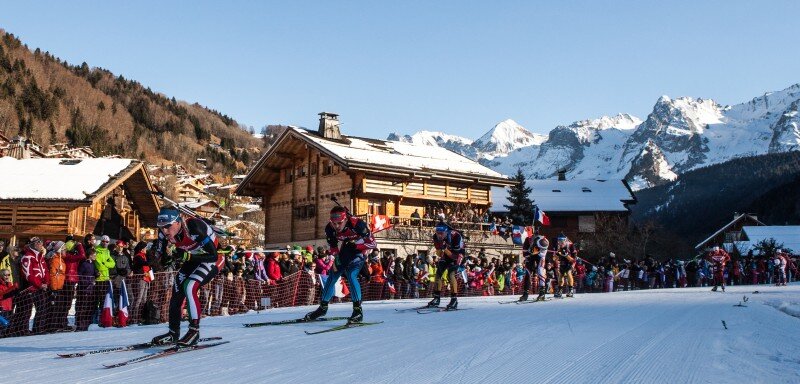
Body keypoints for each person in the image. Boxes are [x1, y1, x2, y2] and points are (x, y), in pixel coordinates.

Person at [150, 208, 221, 347]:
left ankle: (194, 332)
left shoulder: (194, 227)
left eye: (168, 226)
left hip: (212, 259)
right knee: (177, 289)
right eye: (161, 227)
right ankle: (173, 333)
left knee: (190, 286)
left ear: (177, 223)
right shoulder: (163, 234)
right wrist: (167, 258)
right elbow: (161, 259)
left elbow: (213, 255)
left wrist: (187, 256)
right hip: (193, 259)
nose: (165, 231)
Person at [304, 206, 377, 324]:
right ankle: (322, 308)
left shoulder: (357, 224)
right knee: (332, 276)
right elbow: (333, 247)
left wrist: (357, 246)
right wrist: (335, 260)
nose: (337, 226)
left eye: (339, 223)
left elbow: (373, 244)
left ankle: (358, 311)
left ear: (345, 220)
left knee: (351, 275)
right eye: (334, 223)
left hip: (360, 249)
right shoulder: (329, 228)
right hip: (346, 249)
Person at [427, 222, 465, 310]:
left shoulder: (456, 236)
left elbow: (454, 256)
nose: (439, 236)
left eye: (441, 234)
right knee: (438, 274)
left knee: (450, 274)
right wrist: (441, 250)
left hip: (458, 254)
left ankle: (454, 300)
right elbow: (440, 254)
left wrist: (444, 249)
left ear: (446, 232)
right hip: (446, 254)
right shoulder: (435, 237)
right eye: (437, 233)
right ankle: (437, 298)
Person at [519, 233, 549, 301]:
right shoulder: (528, 240)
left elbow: (543, 255)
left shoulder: (545, 242)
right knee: (528, 273)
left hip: (540, 256)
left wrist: (537, 252)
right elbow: (524, 254)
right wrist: (529, 253)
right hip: (530, 256)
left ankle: (542, 293)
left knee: (541, 272)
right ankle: (525, 294)